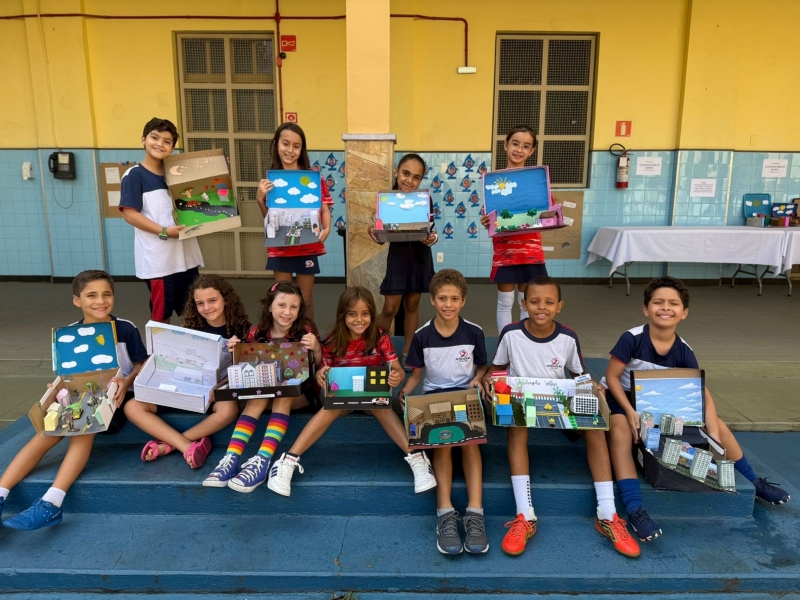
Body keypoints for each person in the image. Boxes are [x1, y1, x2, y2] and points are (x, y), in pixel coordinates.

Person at [605, 276, 790, 542]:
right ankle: (635, 508)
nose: (665, 307)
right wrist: (630, 412)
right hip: (622, 398)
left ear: (684, 312)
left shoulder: (684, 350)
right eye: (658, 302)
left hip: (658, 404)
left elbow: (701, 392)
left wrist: (712, 433)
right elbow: (612, 377)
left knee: (718, 425)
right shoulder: (631, 338)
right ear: (646, 308)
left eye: (673, 303)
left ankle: (754, 481)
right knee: (621, 430)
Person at [481, 275, 640, 558]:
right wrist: (492, 383)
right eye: (534, 301)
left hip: (558, 400)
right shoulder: (510, 333)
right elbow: (498, 368)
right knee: (515, 426)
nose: (541, 307)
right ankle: (525, 515)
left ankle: (608, 514)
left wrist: (592, 386)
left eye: (549, 302)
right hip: (521, 399)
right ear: (523, 304)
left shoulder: (568, 337)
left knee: (595, 426)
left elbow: (579, 375)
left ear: (559, 306)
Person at [1, 271, 147, 530]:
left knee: (82, 428)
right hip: (81, 396)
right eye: (91, 295)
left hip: (117, 398)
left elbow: (141, 363)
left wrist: (127, 381)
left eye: (106, 294)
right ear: (77, 300)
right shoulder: (69, 334)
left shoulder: (125, 328)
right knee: (45, 432)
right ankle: (2, 492)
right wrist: (58, 385)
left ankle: (52, 502)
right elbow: (68, 374)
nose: (100, 301)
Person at [266, 286, 437, 497]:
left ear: (372, 314)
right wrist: (321, 375)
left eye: (365, 314)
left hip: (372, 397)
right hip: (342, 399)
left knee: (380, 405)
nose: (359, 320)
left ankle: (418, 458)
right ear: (342, 315)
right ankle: (288, 460)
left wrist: (396, 376)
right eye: (352, 314)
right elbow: (323, 370)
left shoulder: (380, 337)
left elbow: (397, 369)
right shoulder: (331, 340)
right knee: (333, 405)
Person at [399, 269, 489, 555]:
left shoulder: (474, 332)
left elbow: (482, 367)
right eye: (442, 298)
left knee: (470, 442)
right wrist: (404, 392)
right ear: (432, 300)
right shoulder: (422, 335)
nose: (448, 304)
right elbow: (416, 374)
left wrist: (478, 379)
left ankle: (475, 513)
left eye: (454, 299)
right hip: (434, 399)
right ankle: (445, 512)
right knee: (444, 441)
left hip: (464, 396)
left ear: (463, 301)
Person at [203, 281, 323, 492]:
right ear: (269, 306)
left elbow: (318, 365)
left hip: (299, 394)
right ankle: (231, 458)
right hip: (264, 392)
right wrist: (235, 352)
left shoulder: (305, 329)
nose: (287, 312)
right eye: (281, 305)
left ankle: (262, 460)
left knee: (282, 393)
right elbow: (244, 368)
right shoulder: (257, 333)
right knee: (260, 393)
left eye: (293, 307)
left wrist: (316, 348)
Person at [125, 274, 247, 469]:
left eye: (212, 300)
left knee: (229, 410)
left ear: (226, 299)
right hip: (183, 387)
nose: (207, 307)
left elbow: (242, 372)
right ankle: (185, 445)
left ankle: (170, 444)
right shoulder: (190, 327)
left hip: (212, 395)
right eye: (200, 303)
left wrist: (236, 355)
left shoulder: (241, 330)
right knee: (132, 407)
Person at [120, 117, 204, 324]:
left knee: (194, 311)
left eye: (167, 141)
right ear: (143, 139)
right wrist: (164, 231)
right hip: (159, 262)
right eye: (154, 138)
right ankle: (161, 346)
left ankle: (190, 345)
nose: (160, 144)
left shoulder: (177, 174)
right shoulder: (134, 175)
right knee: (161, 315)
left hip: (187, 257)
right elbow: (129, 213)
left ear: (172, 148)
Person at [256, 122, 332, 321]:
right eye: (285, 144)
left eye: (296, 146)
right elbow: (269, 219)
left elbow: (324, 208)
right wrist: (259, 199)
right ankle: (286, 338)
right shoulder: (270, 181)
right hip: (280, 248)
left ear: (301, 149)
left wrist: (327, 228)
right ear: (276, 144)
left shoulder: (313, 178)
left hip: (307, 247)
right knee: (282, 300)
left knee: (306, 300)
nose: (290, 150)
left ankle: (308, 337)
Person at [371, 153, 438, 368]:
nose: (409, 180)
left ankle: (409, 352)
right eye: (406, 174)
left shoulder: (424, 199)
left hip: (419, 257)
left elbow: (432, 230)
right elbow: (381, 237)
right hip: (398, 258)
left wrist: (432, 239)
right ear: (397, 172)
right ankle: (374, 348)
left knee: (412, 305)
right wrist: (374, 232)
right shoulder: (386, 199)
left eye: (416, 177)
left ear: (421, 180)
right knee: (390, 308)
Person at [480, 125, 548, 334]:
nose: (519, 150)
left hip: (530, 251)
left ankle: (523, 343)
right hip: (506, 251)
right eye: (515, 144)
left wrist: (550, 210)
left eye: (526, 146)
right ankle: (505, 344)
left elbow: (546, 211)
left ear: (532, 151)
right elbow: (489, 213)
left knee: (526, 302)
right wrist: (486, 219)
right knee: (505, 301)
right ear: (506, 145)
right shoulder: (493, 182)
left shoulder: (537, 180)